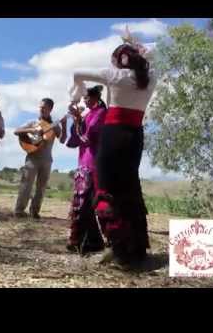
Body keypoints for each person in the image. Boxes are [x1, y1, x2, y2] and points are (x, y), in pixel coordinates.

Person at [71, 35, 157, 266]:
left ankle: (120, 252)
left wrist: (77, 92)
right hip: (134, 137)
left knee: (106, 190)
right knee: (129, 190)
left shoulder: (115, 76)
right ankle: (135, 250)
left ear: (120, 61)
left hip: (113, 135)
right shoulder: (150, 77)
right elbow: (153, 54)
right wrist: (136, 44)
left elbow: (77, 72)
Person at [65, 85, 107, 255]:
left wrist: (78, 121)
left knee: (84, 204)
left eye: (87, 98)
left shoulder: (101, 113)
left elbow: (88, 138)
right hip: (83, 162)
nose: (85, 101)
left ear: (96, 97)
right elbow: (73, 141)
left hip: (93, 163)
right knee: (85, 205)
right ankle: (93, 242)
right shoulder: (89, 114)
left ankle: (76, 240)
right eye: (84, 98)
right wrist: (77, 120)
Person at [13, 98, 64, 219]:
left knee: (41, 187)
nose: (41, 109)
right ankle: (19, 211)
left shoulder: (54, 125)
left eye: (44, 107)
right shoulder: (33, 122)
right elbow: (16, 131)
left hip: (46, 159)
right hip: (32, 158)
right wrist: (32, 129)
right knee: (26, 184)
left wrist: (64, 125)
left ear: (50, 109)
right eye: (40, 107)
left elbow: (62, 139)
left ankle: (34, 211)